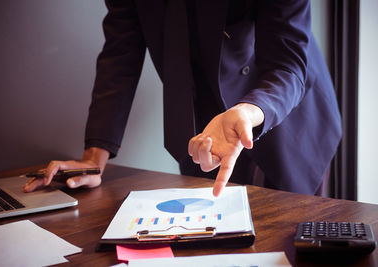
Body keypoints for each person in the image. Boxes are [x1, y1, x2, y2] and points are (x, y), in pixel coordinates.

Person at [24, 0, 342, 197]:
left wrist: (248, 111)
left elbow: (287, 65)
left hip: (282, 117)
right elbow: (121, 52)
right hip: (202, 133)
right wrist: (94, 156)